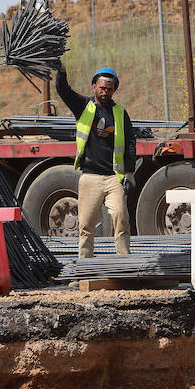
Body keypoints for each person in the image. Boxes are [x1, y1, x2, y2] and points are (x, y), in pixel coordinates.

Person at [54, 63, 134, 258]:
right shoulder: (84, 107)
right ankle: (85, 264)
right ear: (94, 87)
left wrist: (130, 174)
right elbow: (63, 91)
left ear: (114, 90)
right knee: (86, 223)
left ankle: (124, 260)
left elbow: (131, 143)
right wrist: (62, 72)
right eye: (102, 88)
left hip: (114, 177)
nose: (105, 92)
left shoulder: (120, 113)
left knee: (120, 216)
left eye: (109, 88)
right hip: (90, 176)